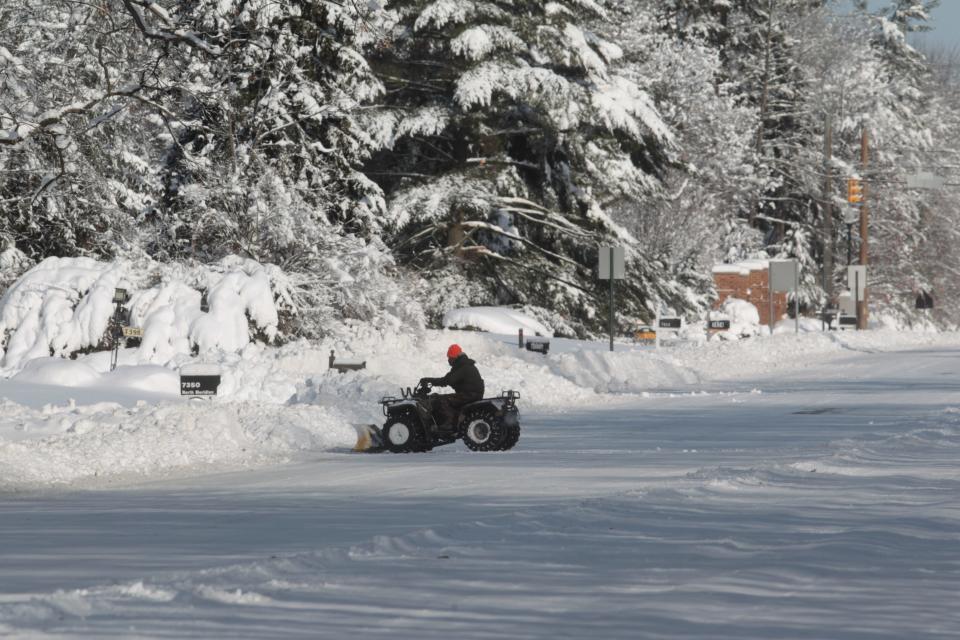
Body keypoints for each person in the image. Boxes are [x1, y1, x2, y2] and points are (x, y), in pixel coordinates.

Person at [420, 344, 485, 430]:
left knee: (441, 400)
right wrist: (431, 380)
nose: (448, 360)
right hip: (472, 394)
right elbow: (448, 379)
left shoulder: (462, 367)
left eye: (450, 358)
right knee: (442, 398)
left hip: (469, 395)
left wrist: (429, 380)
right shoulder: (463, 364)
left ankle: (451, 423)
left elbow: (447, 380)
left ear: (454, 357)